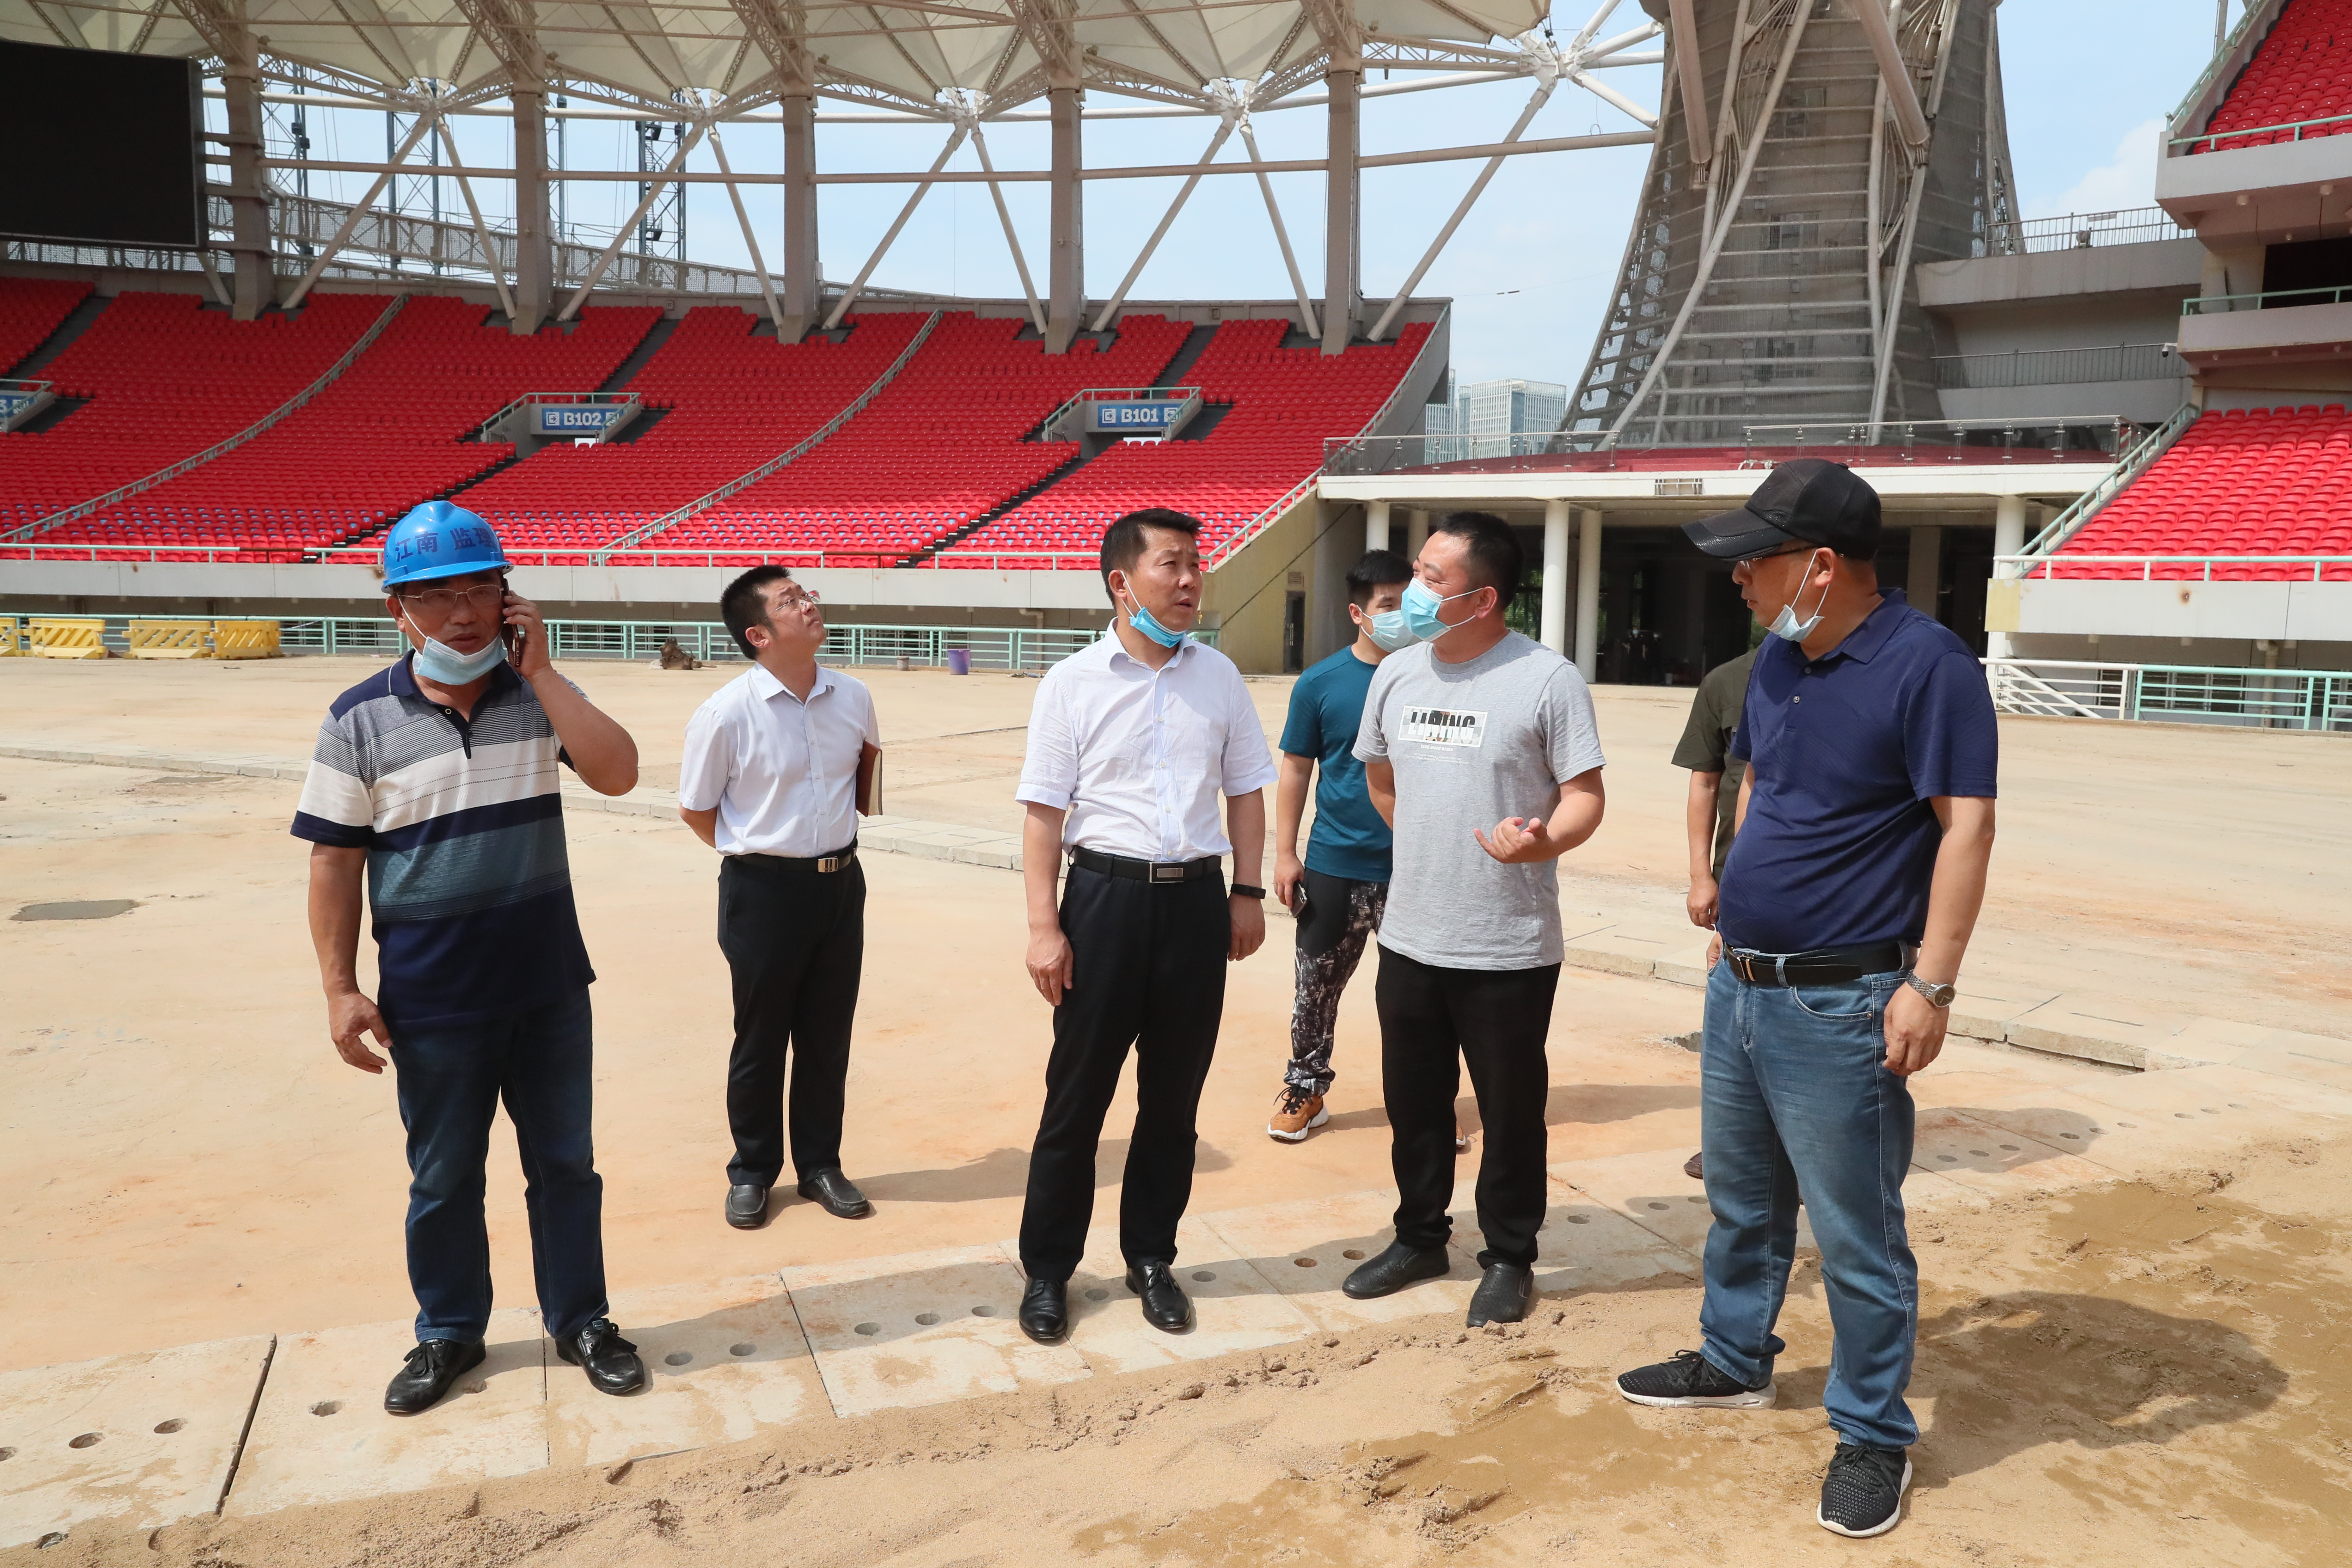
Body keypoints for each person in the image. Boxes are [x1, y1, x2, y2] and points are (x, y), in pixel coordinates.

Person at [1614, 459, 1998, 1541]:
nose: (1738, 576)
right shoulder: (1778, 661)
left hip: (1844, 999)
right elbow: (1759, 792)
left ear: (1820, 565)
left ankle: (1872, 1431)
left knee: (1856, 1233)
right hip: (1740, 984)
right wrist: (1733, 912)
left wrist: (1930, 983)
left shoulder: (1927, 667)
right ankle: (1734, 1358)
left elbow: (1966, 827)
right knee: (1743, 1201)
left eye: (1755, 558)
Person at [293, 501, 648, 1415]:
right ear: (397, 610)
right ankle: (448, 1330)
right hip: (433, 999)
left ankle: (582, 1320)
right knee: (444, 1177)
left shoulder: (537, 698)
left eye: (481, 589)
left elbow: (618, 772)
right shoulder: (358, 719)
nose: (462, 614)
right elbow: (333, 861)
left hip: (548, 985)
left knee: (565, 1167)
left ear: (510, 598)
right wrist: (340, 988)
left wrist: (548, 671)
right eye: (435, 596)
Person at [1011, 507, 1278, 1344]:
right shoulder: (1072, 684)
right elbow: (1044, 815)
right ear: (1122, 583)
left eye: (1196, 563)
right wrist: (1044, 926)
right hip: (1104, 903)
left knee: (1173, 1099)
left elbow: (1245, 791)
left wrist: (1246, 890)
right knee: (1076, 1098)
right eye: (1172, 564)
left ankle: (1151, 1257)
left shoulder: (1218, 677)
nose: (1191, 579)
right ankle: (1048, 1270)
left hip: (1196, 905)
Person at [1340, 512, 1607, 1329]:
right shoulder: (1397, 674)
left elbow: (1584, 796)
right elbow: (1381, 778)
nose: (1412, 592)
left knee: (1509, 1112)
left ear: (1482, 598)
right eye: (1416, 572)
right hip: (1410, 934)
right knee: (1415, 1106)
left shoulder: (1546, 679)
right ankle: (1419, 1237)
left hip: (1508, 945)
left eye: (1432, 579)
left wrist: (1540, 844)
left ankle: (1510, 1256)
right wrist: (1430, 847)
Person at [679, 566, 882, 1231]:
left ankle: (820, 1164)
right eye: (790, 601)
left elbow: (864, 786)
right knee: (762, 1037)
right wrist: (760, 854)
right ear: (759, 635)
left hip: (841, 884)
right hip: (762, 891)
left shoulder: (853, 696)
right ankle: (753, 1171)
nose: (808, 604)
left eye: (805, 594)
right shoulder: (725, 713)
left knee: (827, 1036)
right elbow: (697, 810)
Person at [1266, 548, 1412, 1142]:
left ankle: (1424, 1101)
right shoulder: (1321, 683)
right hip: (1335, 863)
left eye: (1411, 603)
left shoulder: (1438, 676)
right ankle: (1305, 1088)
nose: (1403, 615)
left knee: (1416, 997)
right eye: (1389, 605)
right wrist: (1285, 853)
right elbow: (1296, 769)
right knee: (1316, 988)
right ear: (1358, 613)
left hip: (1413, 868)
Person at [1670, 642, 1756, 1182]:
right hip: (1738, 879)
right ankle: (1730, 1143)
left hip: (1821, 892)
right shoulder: (1727, 681)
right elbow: (1705, 781)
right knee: (1731, 1027)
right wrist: (1703, 876)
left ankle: (1795, 1157)